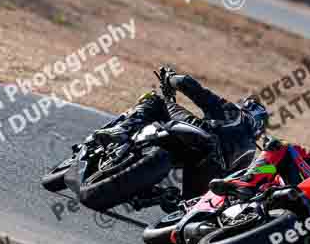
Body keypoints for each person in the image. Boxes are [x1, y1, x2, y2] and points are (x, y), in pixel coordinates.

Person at [93, 66, 268, 199]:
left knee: (156, 101)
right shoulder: (250, 154)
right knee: (185, 202)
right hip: (205, 178)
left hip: (199, 136)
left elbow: (191, 87)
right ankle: (164, 197)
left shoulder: (235, 114)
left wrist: (169, 78)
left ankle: (122, 129)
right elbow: (235, 181)